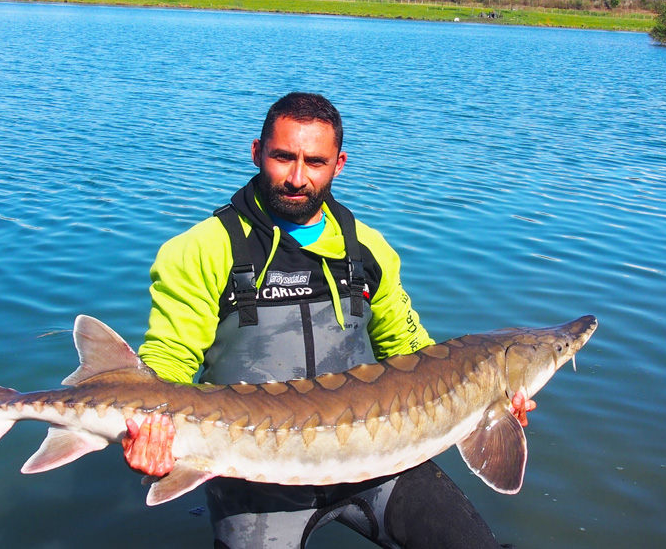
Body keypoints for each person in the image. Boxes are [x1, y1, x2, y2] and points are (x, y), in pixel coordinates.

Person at [123, 92, 517, 548]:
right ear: (256, 152)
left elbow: (414, 354)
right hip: (253, 475)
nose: (296, 177)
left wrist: (490, 396)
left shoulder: (368, 249)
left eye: (315, 162)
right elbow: (167, 360)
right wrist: (150, 425)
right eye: (283, 157)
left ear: (339, 164)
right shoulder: (202, 249)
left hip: (378, 460)